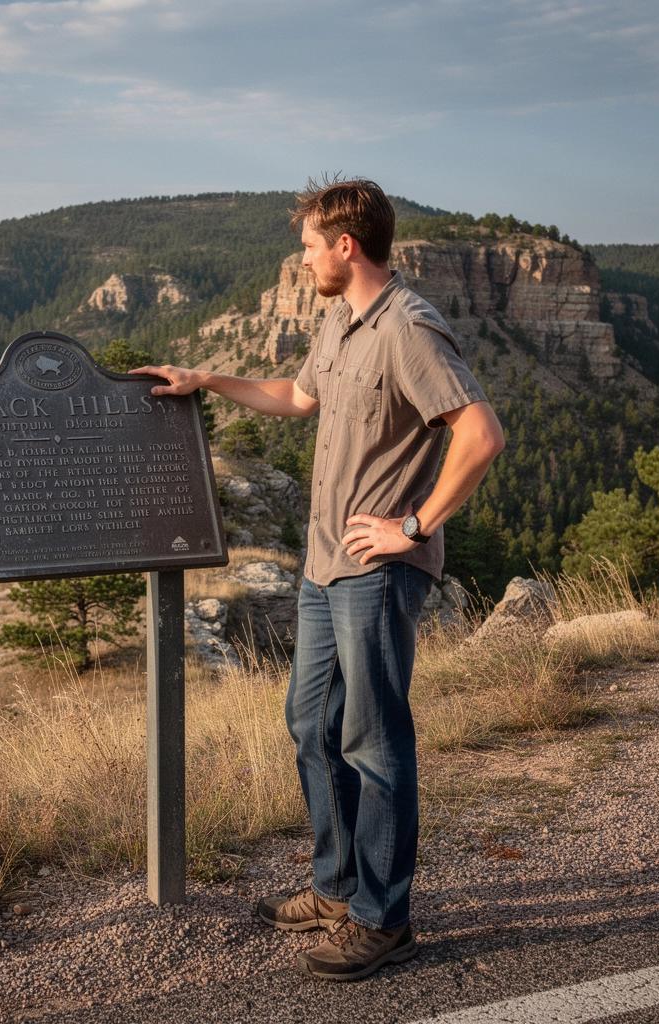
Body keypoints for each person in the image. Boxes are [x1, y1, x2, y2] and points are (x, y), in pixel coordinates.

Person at [131, 177, 504, 982]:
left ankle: (383, 919)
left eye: (307, 246)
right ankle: (336, 889)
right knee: (310, 724)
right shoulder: (339, 321)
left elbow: (480, 434)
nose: (299, 261)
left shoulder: (408, 328)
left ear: (346, 246)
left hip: (375, 573)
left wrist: (412, 527)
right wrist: (206, 380)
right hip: (321, 567)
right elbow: (297, 396)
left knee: (375, 741)